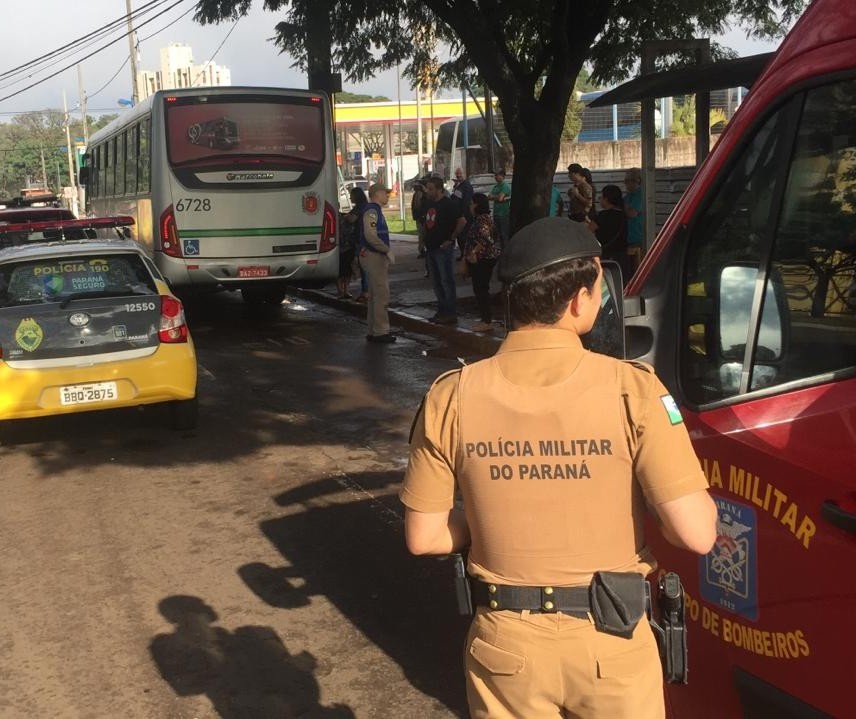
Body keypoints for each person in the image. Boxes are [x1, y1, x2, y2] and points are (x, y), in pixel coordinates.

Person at [400, 216, 717, 719]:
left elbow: (425, 536)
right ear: (578, 300)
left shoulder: (450, 395)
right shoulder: (632, 388)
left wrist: (490, 514)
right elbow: (695, 532)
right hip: (611, 645)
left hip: (504, 648)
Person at [423, 176, 466, 325]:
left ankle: (450, 311)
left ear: (439, 189)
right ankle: (442, 309)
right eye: (427, 188)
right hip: (431, 247)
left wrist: (451, 238)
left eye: (431, 189)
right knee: (436, 282)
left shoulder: (449, 204)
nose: (428, 192)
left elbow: (461, 221)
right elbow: (426, 223)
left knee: (446, 280)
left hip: (443, 248)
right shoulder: (428, 204)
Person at [358, 183, 396, 343]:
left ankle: (374, 330)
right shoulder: (372, 211)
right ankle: (381, 331)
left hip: (371, 255)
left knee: (375, 295)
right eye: (385, 193)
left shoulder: (374, 210)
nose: (387, 196)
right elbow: (371, 235)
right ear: (377, 194)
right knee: (381, 294)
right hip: (374, 256)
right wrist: (386, 250)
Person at [463, 193, 500, 333]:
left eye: (472, 203)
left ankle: (486, 320)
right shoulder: (482, 219)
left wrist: (474, 252)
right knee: (480, 288)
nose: (470, 206)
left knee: (481, 289)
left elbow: (486, 239)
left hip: (483, 259)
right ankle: (485, 318)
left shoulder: (482, 220)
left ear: (477, 204)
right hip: (483, 258)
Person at [592, 184, 631, 283]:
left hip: (605, 254)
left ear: (607, 199)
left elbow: (590, 229)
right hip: (622, 255)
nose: (600, 200)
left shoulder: (603, 215)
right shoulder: (623, 215)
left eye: (601, 197)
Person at [342, 187, 370, 303]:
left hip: (361, 240)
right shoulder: (366, 207)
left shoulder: (359, 208)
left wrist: (345, 216)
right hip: (365, 239)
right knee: (365, 267)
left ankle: (366, 292)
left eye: (351, 195)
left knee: (364, 268)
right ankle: (367, 291)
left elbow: (352, 219)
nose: (350, 197)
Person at [624, 167, 645, 274]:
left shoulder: (640, 195)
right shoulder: (628, 196)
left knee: (637, 268)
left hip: (637, 236)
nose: (626, 184)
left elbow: (632, 213)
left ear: (636, 181)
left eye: (627, 181)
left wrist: (625, 208)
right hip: (628, 237)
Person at [452, 167, 475, 259]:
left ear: (464, 174)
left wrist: (463, 214)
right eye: (457, 174)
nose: (458, 175)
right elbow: (455, 198)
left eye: (460, 173)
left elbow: (466, 201)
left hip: (465, 215)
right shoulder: (459, 185)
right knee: (460, 236)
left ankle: (467, 255)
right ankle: (463, 254)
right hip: (459, 215)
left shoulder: (466, 186)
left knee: (464, 236)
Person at [487, 169, 512, 247]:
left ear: (502, 176)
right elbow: (489, 197)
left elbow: (500, 198)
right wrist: (497, 197)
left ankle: (506, 252)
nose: (496, 177)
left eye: (497, 175)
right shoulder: (495, 186)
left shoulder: (506, 186)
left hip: (503, 213)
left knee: (504, 234)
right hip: (496, 213)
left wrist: (495, 197)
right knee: (496, 234)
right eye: (495, 175)